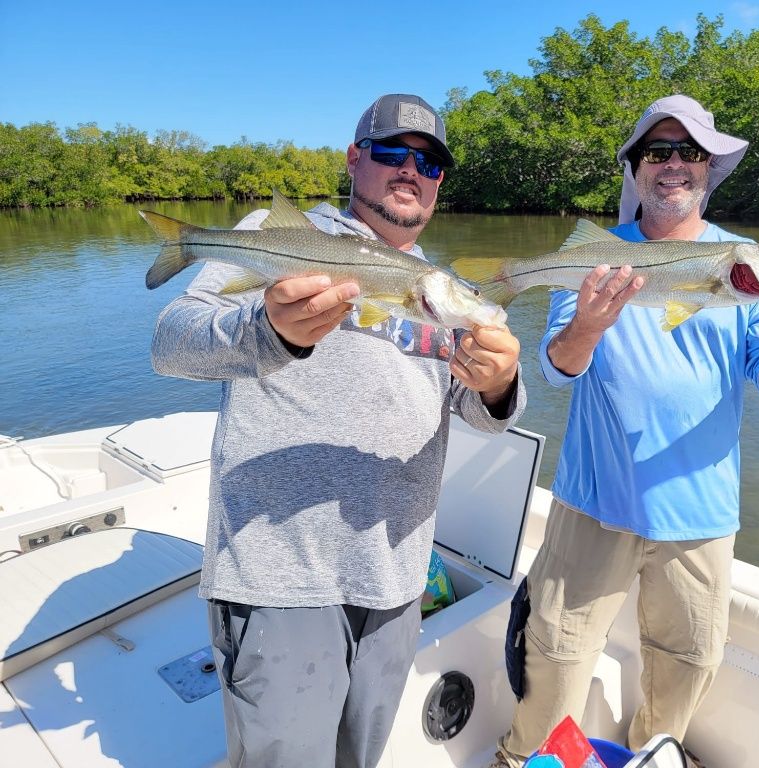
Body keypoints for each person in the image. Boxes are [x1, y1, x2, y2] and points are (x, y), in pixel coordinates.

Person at [151, 93, 525, 768]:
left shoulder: (433, 285)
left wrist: (497, 384)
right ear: (355, 160)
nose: (412, 170)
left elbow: (475, 414)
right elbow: (172, 342)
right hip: (283, 576)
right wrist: (266, 331)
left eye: (431, 163)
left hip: (397, 578)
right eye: (392, 153)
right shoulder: (278, 234)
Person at [491, 94, 759, 767]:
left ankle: (653, 758)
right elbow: (558, 369)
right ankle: (523, 761)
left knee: (686, 665)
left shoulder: (740, 267)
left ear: (710, 170)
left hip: (700, 515)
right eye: (658, 151)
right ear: (636, 168)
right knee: (553, 658)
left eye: (690, 152)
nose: (674, 164)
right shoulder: (594, 255)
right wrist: (586, 322)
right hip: (591, 505)